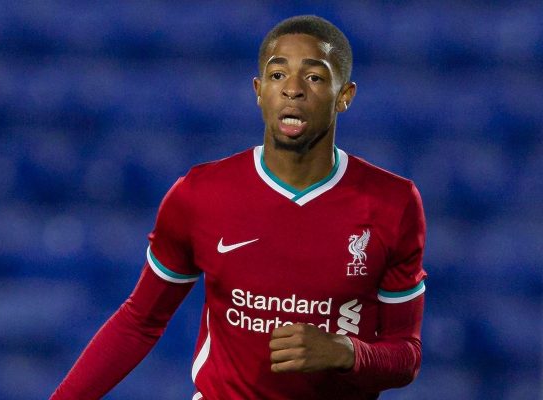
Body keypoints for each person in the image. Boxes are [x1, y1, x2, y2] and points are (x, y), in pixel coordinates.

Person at [51, 15, 427, 400]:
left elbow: (406, 355)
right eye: (277, 75)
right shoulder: (200, 194)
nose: (292, 90)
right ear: (258, 90)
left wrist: (348, 353)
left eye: (313, 77)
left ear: (344, 95)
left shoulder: (392, 203)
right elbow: (139, 322)